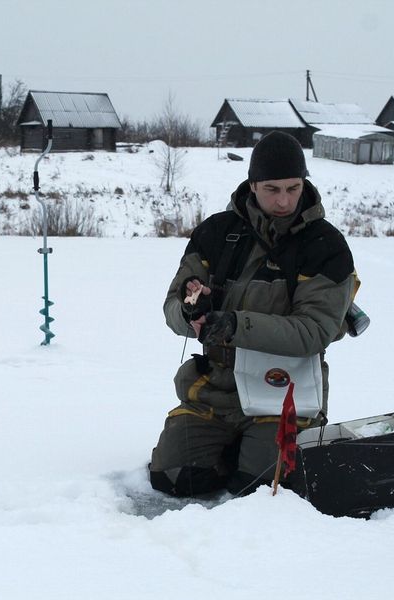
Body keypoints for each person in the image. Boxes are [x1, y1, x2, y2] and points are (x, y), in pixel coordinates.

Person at [149, 131, 356, 498]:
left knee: (260, 489)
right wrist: (191, 312)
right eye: (272, 189)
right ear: (253, 184)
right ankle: (233, 447)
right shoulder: (216, 232)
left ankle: (254, 450)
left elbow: (313, 332)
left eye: (293, 188)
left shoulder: (326, 245)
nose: (283, 200)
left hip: (286, 393)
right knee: (174, 478)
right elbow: (172, 308)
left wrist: (233, 325)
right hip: (217, 388)